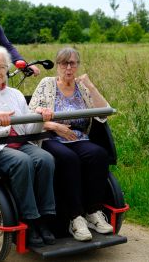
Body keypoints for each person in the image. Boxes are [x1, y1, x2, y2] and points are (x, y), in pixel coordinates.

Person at [0, 45, 56, 247]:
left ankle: (45, 217)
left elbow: (29, 129)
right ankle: (30, 220)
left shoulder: (15, 94)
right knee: (23, 162)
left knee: (46, 159)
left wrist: (41, 117)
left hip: (21, 143)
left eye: (2, 66)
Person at [29, 46, 114, 242]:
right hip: (51, 137)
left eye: (72, 63)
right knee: (69, 159)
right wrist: (56, 126)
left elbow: (103, 113)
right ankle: (75, 218)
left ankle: (93, 212)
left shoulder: (82, 87)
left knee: (99, 154)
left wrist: (91, 86)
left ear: (77, 66)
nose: (68, 68)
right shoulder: (47, 84)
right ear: (57, 65)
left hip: (78, 138)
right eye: (64, 63)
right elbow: (32, 114)